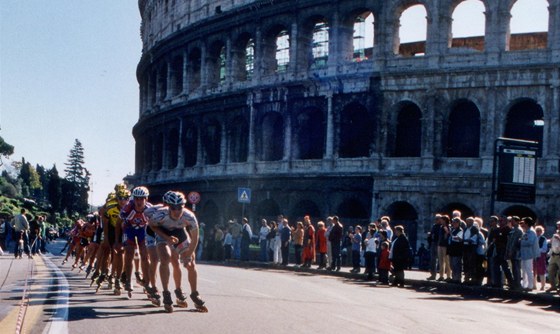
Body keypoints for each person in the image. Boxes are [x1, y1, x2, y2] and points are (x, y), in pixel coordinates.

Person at [146, 190, 207, 313]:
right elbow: (152, 226)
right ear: (168, 206)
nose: (177, 211)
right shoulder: (159, 215)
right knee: (165, 258)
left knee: (191, 264)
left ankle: (194, 293)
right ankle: (166, 292)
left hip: (180, 232)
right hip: (163, 233)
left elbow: (195, 239)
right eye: (173, 208)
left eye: (180, 208)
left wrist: (188, 256)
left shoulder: (189, 216)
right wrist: (167, 238)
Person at [519, 217, 539, 291]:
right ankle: (524, 285)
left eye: (523, 222)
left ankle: (530, 286)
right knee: (523, 270)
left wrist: (520, 242)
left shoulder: (531, 232)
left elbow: (530, 242)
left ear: (527, 223)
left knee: (528, 270)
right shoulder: (525, 232)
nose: (522, 224)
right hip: (524, 254)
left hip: (529, 254)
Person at [505, 216, 523, 290]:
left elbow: (515, 242)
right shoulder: (512, 230)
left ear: (517, 221)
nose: (511, 222)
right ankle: (514, 283)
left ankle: (517, 284)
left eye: (512, 221)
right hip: (511, 251)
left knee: (516, 268)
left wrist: (511, 251)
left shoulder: (518, 231)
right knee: (513, 268)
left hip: (516, 253)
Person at [448, 217, 463, 283]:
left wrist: (451, 235)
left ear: (458, 223)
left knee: (456, 264)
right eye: (452, 222)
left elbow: (458, 239)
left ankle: (457, 278)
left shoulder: (460, 230)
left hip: (457, 249)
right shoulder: (453, 230)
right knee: (452, 264)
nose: (453, 224)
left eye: (454, 222)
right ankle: (453, 277)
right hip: (452, 249)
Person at [546, 221, 560, 293]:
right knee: (550, 270)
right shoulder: (555, 235)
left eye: (559, 225)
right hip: (554, 255)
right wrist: (549, 253)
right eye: (557, 225)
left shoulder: (557, 236)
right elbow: (552, 245)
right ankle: (553, 286)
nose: (558, 227)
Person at [427, 214, 442, 280]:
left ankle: (441, 275)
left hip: (439, 244)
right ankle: (433, 274)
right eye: (435, 219)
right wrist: (429, 235)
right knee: (433, 260)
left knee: (441, 260)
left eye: (437, 219)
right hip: (433, 243)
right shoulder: (434, 226)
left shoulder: (442, 227)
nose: (436, 220)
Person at [533, 225, 548, 291]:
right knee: (533, 271)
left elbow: (544, 249)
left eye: (539, 231)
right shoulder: (534, 238)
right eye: (537, 231)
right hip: (533, 256)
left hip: (541, 256)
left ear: (542, 231)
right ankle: (534, 285)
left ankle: (543, 286)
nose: (538, 232)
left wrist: (537, 250)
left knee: (542, 271)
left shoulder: (543, 239)